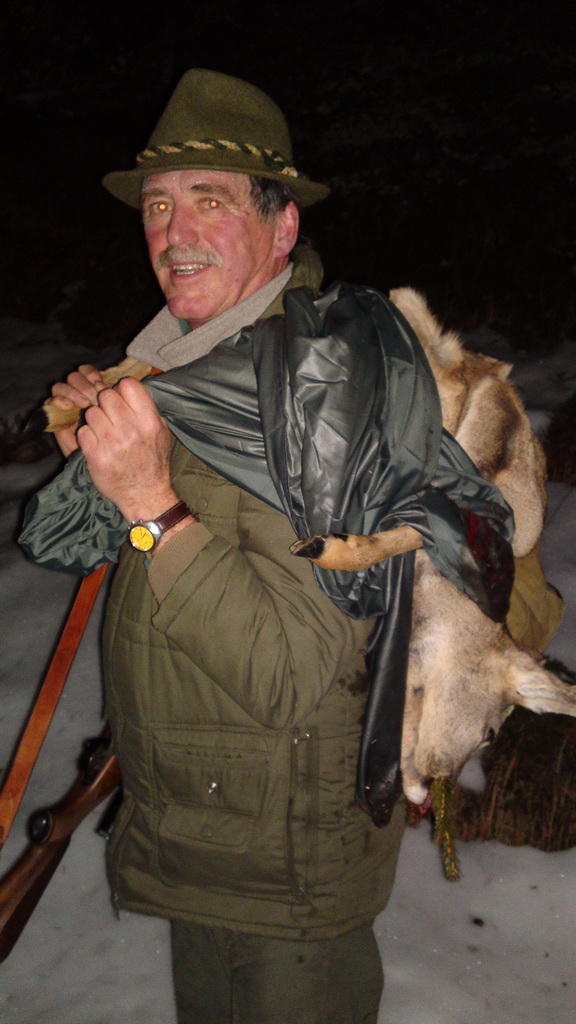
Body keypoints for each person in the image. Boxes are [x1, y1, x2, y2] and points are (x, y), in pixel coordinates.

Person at [20, 69, 563, 1023]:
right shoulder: (188, 367)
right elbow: (58, 537)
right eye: (157, 204)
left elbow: (299, 678)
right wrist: (91, 458)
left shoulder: (316, 396)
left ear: (281, 229)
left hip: (285, 872)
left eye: (210, 201)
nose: (173, 231)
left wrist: (152, 505)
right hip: (203, 840)